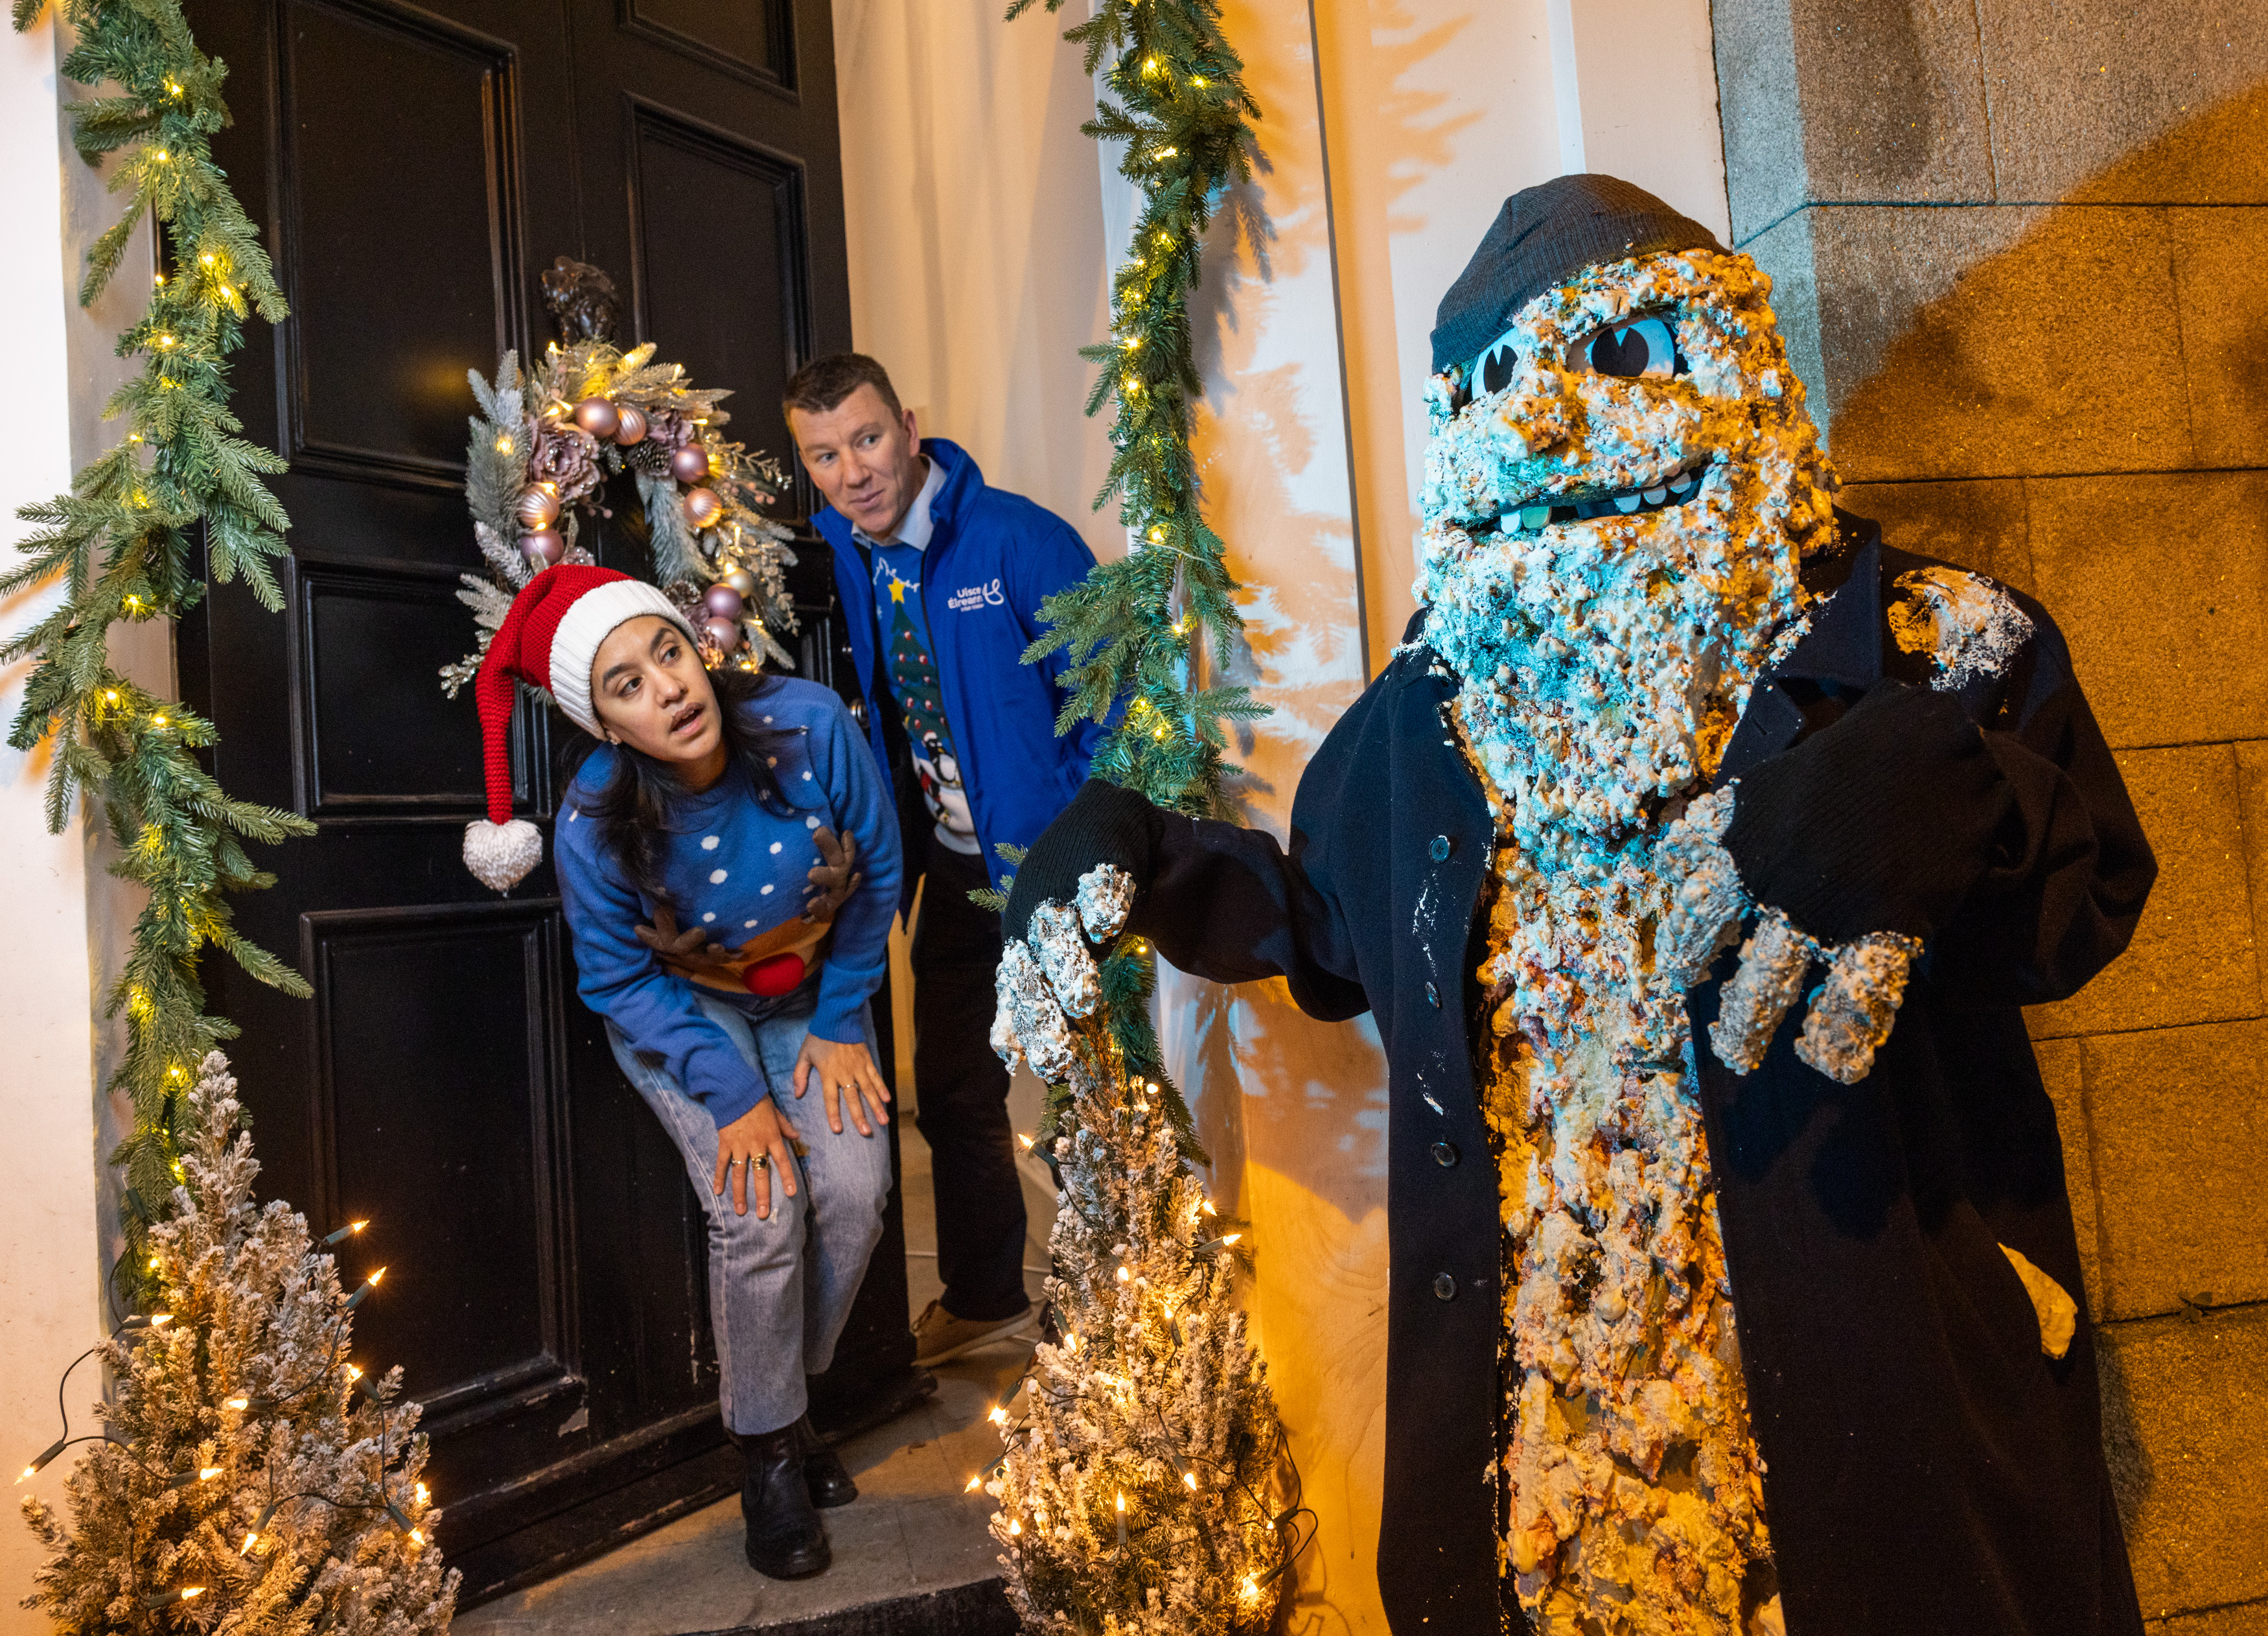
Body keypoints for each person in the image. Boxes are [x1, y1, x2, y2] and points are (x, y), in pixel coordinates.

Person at [993, 177, 2155, 1636]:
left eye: (1615, 357)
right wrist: (1147, 859)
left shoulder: (1933, 643)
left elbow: (2084, 895)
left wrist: (1953, 793)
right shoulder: (1420, 722)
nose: (1538, 423)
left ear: (1731, 368)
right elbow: (1346, 939)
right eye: (1487, 382)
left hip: (1879, 1404)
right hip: (1547, 1463)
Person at [459, 565, 904, 1582]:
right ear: (607, 723)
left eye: (668, 651)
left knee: (852, 1194)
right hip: (687, 1010)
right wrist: (736, 1093)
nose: (666, 687)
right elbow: (616, 981)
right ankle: (768, 1456)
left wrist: (842, 1016)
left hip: (812, 997)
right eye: (627, 684)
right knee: (760, 1212)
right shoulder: (591, 820)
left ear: (697, 649)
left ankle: (783, 1407)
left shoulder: (809, 725)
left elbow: (877, 871)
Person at [783, 353, 1104, 1367]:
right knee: (956, 1083)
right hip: (949, 863)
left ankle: (1118, 1314)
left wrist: (1087, 846)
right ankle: (986, 1292)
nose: (853, 473)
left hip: (1047, 859)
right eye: (824, 455)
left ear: (911, 428)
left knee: (1090, 1085)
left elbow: (1112, 702)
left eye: (868, 441)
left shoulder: (1020, 540)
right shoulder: (847, 545)